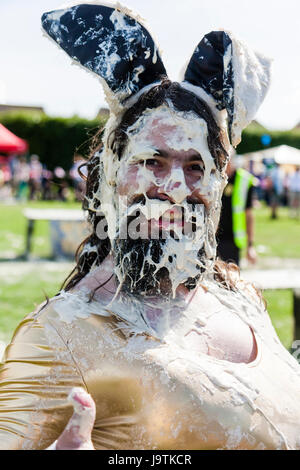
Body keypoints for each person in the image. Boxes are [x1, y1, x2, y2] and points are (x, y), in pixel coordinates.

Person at [1, 3, 300, 451]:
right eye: (152, 161)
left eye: (195, 166)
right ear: (111, 175)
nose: (175, 187)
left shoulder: (239, 298)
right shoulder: (63, 337)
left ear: (218, 183)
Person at [217, 155, 256, 266]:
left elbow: (249, 215)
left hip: (232, 241)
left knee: (230, 279)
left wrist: (250, 246)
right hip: (211, 240)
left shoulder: (244, 180)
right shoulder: (212, 177)